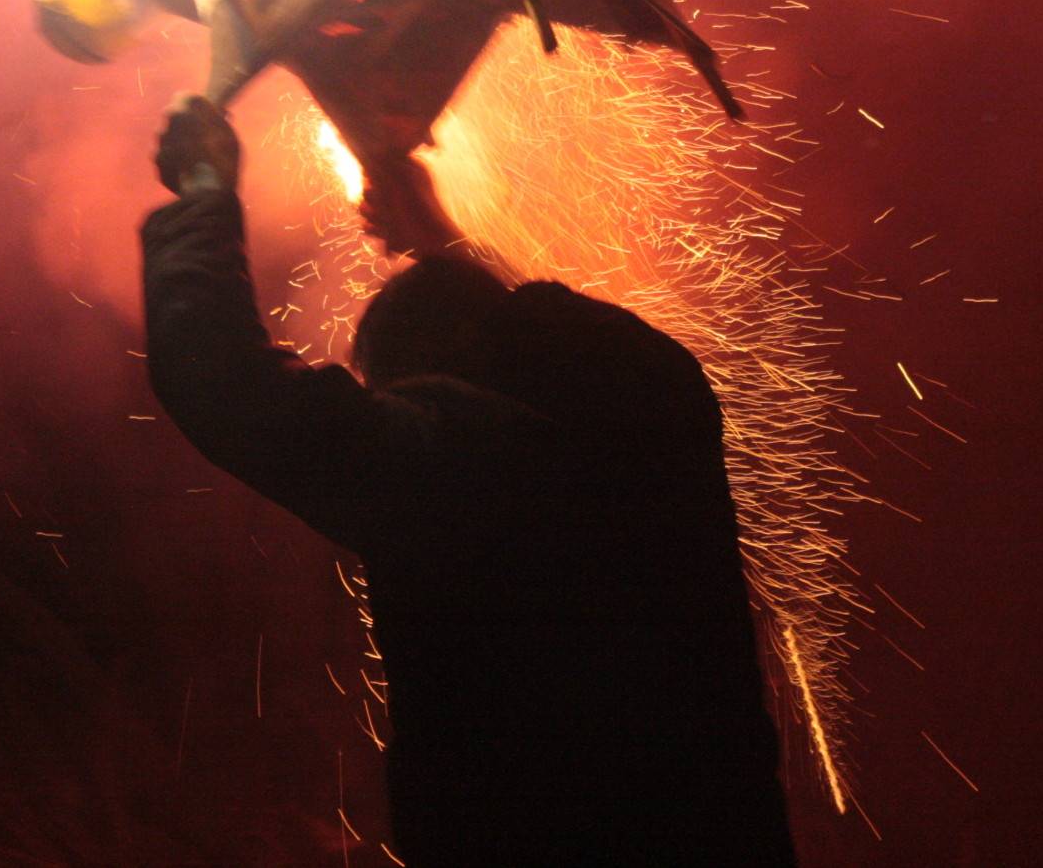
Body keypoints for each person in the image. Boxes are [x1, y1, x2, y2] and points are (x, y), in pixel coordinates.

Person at [141, 95, 799, 866]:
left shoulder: (463, 466)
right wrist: (442, 242)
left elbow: (225, 384)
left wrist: (204, 192)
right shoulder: (654, 412)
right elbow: (523, 337)